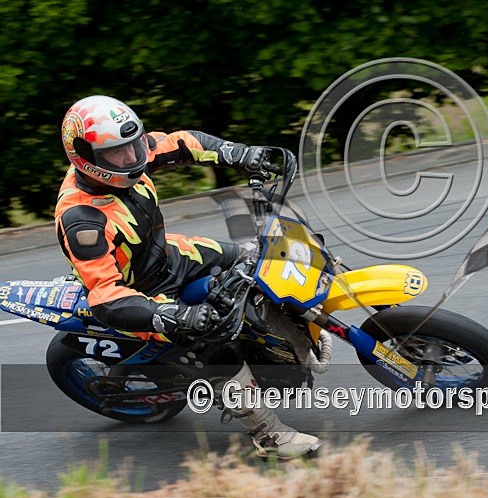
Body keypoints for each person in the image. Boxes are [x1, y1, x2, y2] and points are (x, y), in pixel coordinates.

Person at [56, 95, 320, 459]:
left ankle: (290, 336)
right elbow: (104, 295)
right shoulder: (82, 220)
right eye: (119, 153)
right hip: (140, 295)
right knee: (215, 347)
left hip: (169, 255)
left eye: (135, 145)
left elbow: (184, 142)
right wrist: (173, 316)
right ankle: (269, 437)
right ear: (86, 158)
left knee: (259, 258)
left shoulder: (124, 155)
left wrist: (239, 153)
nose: (133, 157)